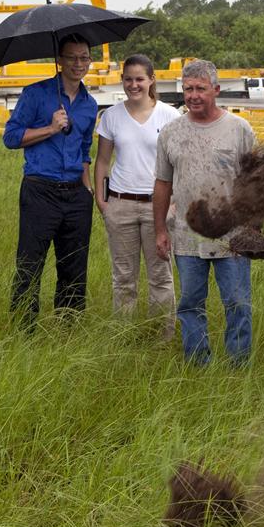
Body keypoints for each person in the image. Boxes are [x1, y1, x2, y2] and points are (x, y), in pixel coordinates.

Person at [152, 60, 257, 366]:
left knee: (237, 303)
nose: (194, 95)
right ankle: (198, 363)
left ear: (216, 90)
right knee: (190, 304)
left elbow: (257, 182)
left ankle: (239, 365)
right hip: (186, 235)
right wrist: (161, 229)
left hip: (232, 238)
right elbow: (162, 184)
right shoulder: (170, 133)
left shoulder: (239, 130)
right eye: (188, 89)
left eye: (200, 88)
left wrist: (252, 228)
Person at [2, 33, 99, 330]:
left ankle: (68, 328)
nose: (78, 63)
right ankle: (24, 330)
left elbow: (84, 150)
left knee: (74, 266)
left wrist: (88, 189)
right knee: (30, 264)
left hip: (76, 195)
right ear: (59, 60)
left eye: (84, 57)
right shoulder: (35, 94)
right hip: (40, 191)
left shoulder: (89, 104)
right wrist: (50, 128)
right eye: (71, 57)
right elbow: (11, 138)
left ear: (90, 61)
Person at [93, 54, 180, 338]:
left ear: (151, 80)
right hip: (121, 205)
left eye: (139, 79)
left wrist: (174, 205)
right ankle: (124, 335)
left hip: (159, 208)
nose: (134, 85)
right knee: (123, 278)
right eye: (128, 79)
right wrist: (103, 202)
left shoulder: (169, 116)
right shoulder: (111, 116)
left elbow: (179, 165)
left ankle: (162, 336)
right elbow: (103, 162)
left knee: (160, 277)